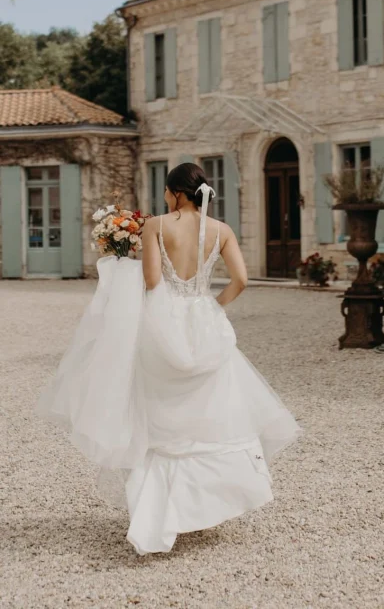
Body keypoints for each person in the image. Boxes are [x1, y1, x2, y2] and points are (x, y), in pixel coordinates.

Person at [37, 163, 301, 555]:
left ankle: (159, 510)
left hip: (166, 321)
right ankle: (205, 502)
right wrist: (212, 307)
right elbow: (241, 280)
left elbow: (152, 282)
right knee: (211, 413)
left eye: (165, 191)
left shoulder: (157, 225)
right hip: (204, 321)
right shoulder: (222, 230)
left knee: (157, 415)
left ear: (176, 192)